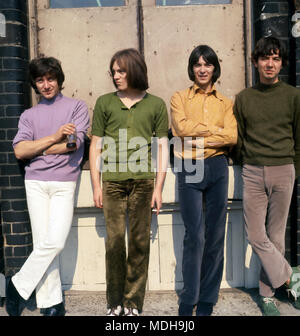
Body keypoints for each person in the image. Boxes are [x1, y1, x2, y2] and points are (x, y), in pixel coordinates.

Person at [6, 57, 90, 316]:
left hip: (64, 181)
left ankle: (17, 284)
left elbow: (74, 145)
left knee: (55, 242)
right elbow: (21, 151)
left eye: (50, 78)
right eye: (40, 80)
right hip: (36, 183)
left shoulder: (77, 107)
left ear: (59, 79)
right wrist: (55, 137)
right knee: (44, 241)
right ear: (34, 83)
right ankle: (51, 304)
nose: (46, 84)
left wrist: (38, 149)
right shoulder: (29, 115)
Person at [89, 48, 169, 316]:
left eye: (121, 70)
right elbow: (96, 145)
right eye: (113, 71)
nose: (116, 76)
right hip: (111, 182)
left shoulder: (156, 104)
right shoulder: (104, 102)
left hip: (144, 182)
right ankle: (114, 303)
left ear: (134, 70)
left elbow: (161, 147)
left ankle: (132, 303)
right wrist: (96, 185)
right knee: (114, 244)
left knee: (139, 243)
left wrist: (159, 187)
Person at [233, 36, 300, 316]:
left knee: (275, 237)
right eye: (264, 58)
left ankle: (268, 296)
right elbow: (239, 138)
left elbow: (298, 137)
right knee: (256, 235)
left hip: (284, 169)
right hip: (253, 171)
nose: (269, 64)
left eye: (275, 58)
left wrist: (293, 170)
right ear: (255, 62)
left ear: (281, 62)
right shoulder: (244, 98)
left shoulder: (293, 96)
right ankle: (291, 277)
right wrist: (247, 161)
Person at [170, 45, 237, 316]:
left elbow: (232, 137)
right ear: (192, 68)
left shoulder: (226, 103)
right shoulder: (179, 98)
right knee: (194, 235)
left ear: (214, 69)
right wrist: (215, 131)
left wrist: (202, 135)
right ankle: (189, 297)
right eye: (197, 64)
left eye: (207, 64)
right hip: (190, 165)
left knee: (215, 234)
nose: (202, 69)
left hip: (218, 166)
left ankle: (208, 297)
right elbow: (182, 129)